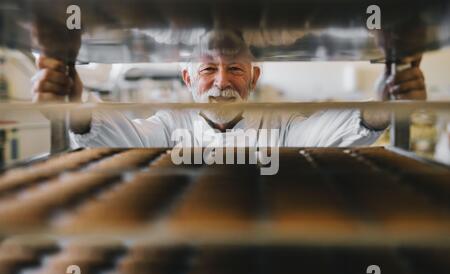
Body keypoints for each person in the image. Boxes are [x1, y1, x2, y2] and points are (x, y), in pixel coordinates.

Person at [31, 31, 426, 149]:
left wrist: (383, 106)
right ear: (187, 79)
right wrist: (75, 107)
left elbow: (324, 133)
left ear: (253, 78)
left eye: (235, 68)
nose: (222, 81)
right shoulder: (168, 125)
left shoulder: (281, 125)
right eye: (208, 69)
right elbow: (124, 137)